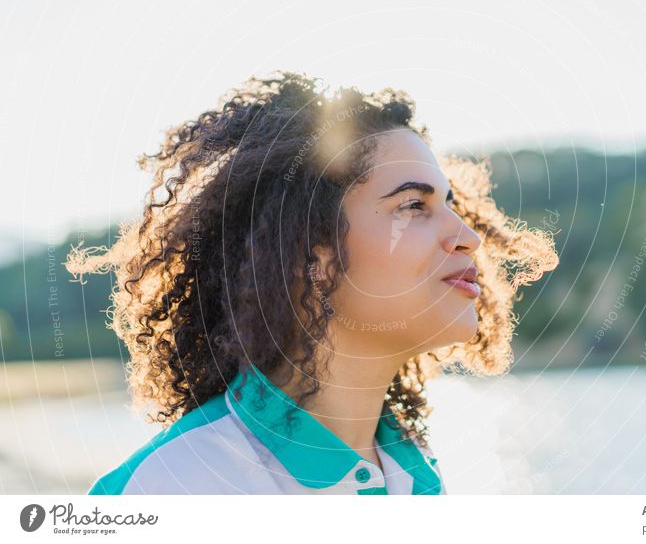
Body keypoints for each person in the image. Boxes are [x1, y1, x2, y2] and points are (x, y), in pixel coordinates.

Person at [66, 70, 559, 494]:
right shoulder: (171, 490)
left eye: (450, 205)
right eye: (413, 205)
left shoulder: (415, 473)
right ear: (314, 257)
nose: (468, 236)